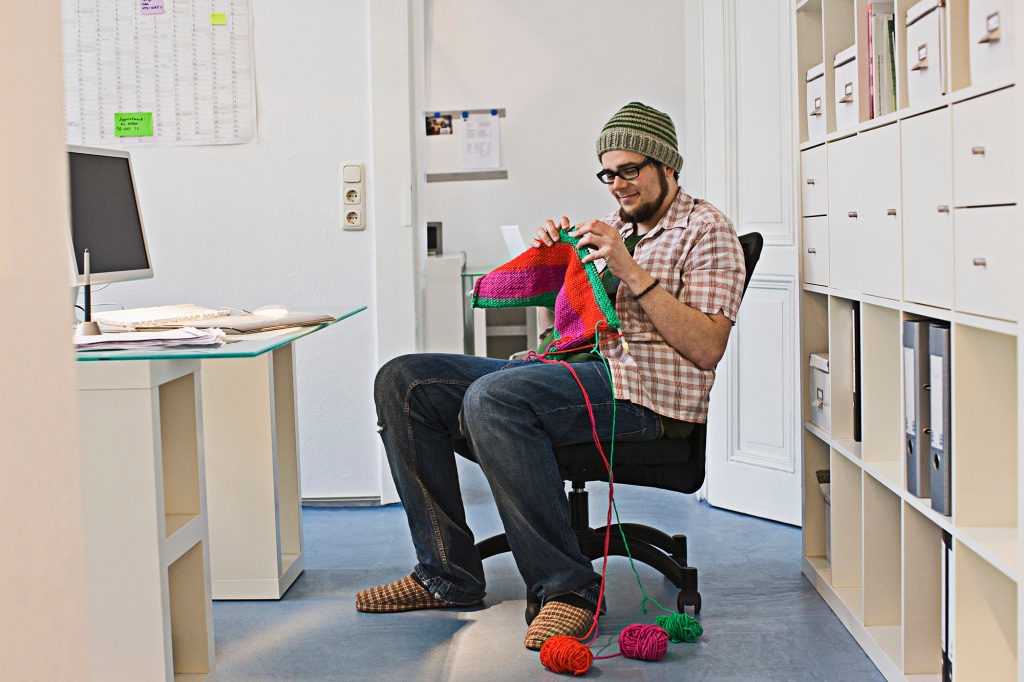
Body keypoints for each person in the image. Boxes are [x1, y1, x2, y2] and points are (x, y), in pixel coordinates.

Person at [357, 101, 745, 651]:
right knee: (404, 380)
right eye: (608, 174)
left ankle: (568, 589)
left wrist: (630, 271)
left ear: (667, 166)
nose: (617, 186)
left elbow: (707, 347)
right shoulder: (613, 226)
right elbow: (572, 327)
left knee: (495, 398)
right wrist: (556, 271)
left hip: (649, 399)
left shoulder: (707, 231)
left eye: (630, 170)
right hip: (585, 373)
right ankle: (447, 575)